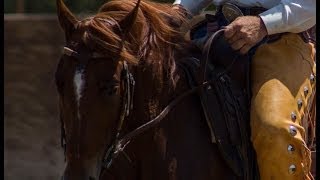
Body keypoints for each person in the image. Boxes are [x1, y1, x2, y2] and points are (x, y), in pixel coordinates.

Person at [172, 0, 316, 179]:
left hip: (284, 37)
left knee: (274, 128)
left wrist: (263, 24)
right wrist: (179, 11)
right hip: (219, 33)